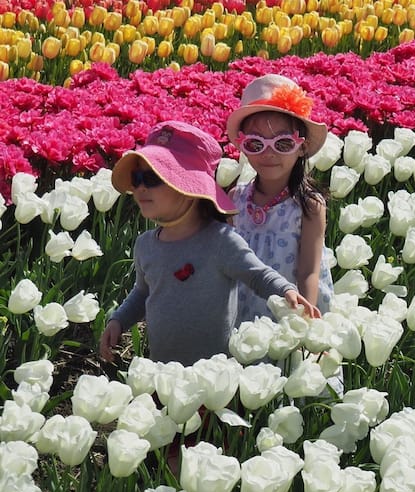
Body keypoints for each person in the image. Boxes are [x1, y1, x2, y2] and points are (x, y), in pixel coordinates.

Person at [99, 120, 321, 366]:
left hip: (214, 376)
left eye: (152, 178)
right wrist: (118, 320)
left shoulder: (220, 241)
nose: (140, 187)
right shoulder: (146, 245)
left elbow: (258, 275)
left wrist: (286, 291)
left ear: (188, 188)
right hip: (162, 372)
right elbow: (142, 292)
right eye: (136, 178)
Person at [224, 74, 335, 322]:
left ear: (302, 147)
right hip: (245, 304)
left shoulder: (308, 205)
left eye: (283, 143)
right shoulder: (236, 198)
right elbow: (229, 260)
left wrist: (305, 320)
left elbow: (309, 272)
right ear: (243, 146)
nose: (269, 153)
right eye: (255, 144)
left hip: (292, 307)